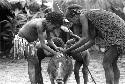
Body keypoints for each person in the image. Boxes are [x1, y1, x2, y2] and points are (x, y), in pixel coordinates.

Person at [63, 4, 125, 84]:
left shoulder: (82, 16)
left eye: (71, 20)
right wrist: (75, 51)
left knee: (106, 63)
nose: (73, 23)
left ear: (74, 16)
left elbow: (84, 38)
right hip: (120, 33)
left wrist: (69, 49)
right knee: (112, 63)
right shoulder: (90, 17)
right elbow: (91, 41)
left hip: (117, 35)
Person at [17, 11, 66, 84]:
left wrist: (56, 48)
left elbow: (49, 40)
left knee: (36, 64)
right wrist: (55, 53)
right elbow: (43, 45)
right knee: (32, 64)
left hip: (30, 42)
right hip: (22, 41)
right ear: (49, 22)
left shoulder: (46, 24)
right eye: (54, 27)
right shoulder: (40, 25)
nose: (54, 29)